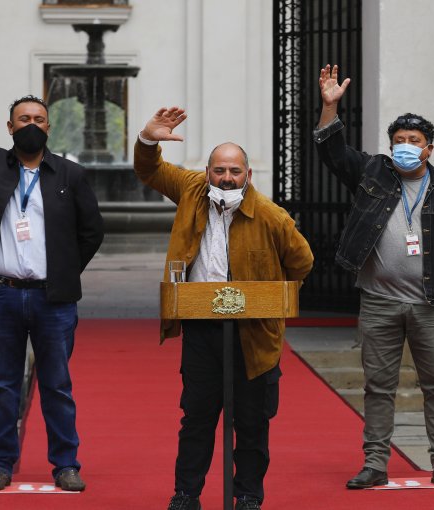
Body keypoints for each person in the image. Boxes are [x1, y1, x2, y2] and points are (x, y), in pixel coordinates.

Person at [313, 65, 434, 490]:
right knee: (378, 385)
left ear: (429, 149)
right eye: (399, 141)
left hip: (431, 303)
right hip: (378, 300)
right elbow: (331, 151)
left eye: (414, 142)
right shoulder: (373, 172)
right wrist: (329, 106)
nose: (405, 148)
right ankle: (375, 462)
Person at [0, 57, 104, 492]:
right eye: (23, 119)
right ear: (10, 128)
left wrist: (64, 272)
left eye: (39, 119)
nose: (31, 125)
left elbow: (92, 231)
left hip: (53, 300)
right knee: (3, 385)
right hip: (2, 296)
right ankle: (1, 463)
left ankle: (66, 463)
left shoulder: (71, 173)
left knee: (57, 386)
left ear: (49, 128)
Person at [133, 107, 314, 510]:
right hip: (203, 329)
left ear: (248, 175)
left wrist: (269, 294)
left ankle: (248, 496)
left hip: (254, 335)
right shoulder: (192, 190)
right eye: (219, 170)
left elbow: (302, 261)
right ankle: (186, 495)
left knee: (251, 422)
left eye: (234, 171)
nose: (226, 178)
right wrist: (148, 138)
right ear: (208, 171)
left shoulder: (271, 216)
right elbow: (149, 170)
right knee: (196, 418)